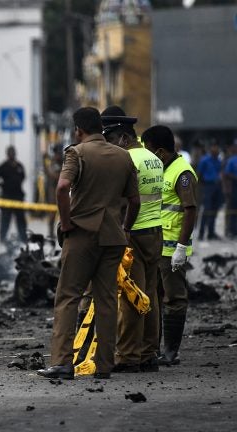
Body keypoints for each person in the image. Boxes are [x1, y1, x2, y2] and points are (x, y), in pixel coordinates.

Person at [37, 107, 139, 380]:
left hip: (82, 235)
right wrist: (125, 229)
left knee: (68, 297)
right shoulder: (122, 156)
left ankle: (61, 363)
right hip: (113, 237)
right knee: (106, 300)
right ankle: (104, 364)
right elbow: (134, 200)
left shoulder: (77, 153)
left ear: (79, 130)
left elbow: (61, 188)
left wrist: (67, 223)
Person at [101, 106, 163, 373]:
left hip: (133, 233)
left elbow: (123, 200)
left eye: (112, 141)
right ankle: (148, 353)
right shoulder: (154, 159)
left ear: (124, 138)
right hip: (155, 232)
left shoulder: (128, 160)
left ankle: (128, 356)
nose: (111, 148)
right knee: (150, 294)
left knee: (130, 296)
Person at [141, 125, 198, 367]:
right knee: (154, 298)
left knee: (174, 299)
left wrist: (182, 247)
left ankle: (171, 351)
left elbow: (190, 210)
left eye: (151, 151)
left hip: (172, 250)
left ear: (162, 151)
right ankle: (153, 348)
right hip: (156, 247)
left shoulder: (182, 172)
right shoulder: (162, 169)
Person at [0, 145, 27, 242]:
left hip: (18, 197)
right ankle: (2, 239)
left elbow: (23, 177)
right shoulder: (3, 166)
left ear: (15, 153)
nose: (12, 154)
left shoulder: (19, 166)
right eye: (10, 152)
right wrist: (3, 185)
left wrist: (16, 183)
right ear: (7, 154)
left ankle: (23, 239)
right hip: (7, 197)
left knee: (21, 220)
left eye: (13, 152)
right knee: (5, 220)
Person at [196, 142, 222, 240]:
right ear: (211, 149)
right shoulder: (205, 160)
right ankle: (201, 233)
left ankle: (211, 233)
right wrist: (203, 185)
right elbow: (199, 173)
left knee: (215, 210)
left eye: (217, 148)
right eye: (214, 147)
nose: (216, 150)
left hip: (217, 186)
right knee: (206, 210)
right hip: (207, 186)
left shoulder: (218, 160)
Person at [224, 143, 237, 238]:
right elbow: (227, 173)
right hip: (234, 186)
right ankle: (231, 230)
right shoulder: (232, 160)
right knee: (233, 209)